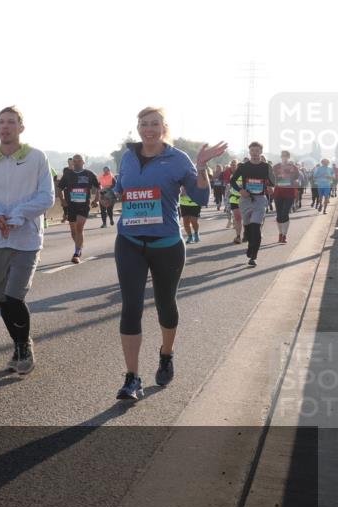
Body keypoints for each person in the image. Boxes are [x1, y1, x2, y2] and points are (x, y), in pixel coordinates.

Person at [111, 107, 225, 401]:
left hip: (167, 244)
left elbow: (200, 197)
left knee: (165, 304)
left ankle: (166, 353)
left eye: (155, 124)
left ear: (164, 127)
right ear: (138, 127)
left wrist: (201, 167)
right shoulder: (127, 156)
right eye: (144, 124)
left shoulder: (177, 159)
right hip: (130, 241)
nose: (149, 129)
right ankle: (132, 378)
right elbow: (121, 187)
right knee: (131, 306)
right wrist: (109, 194)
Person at [0, 107, 55, 375]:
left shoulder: (36, 158)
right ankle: (19, 344)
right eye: (1, 122)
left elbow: (46, 197)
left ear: (21, 127)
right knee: (2, 299)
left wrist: (17, 216)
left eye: (11, 122)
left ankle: (24, 348)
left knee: (14, 295)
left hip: (26, 237)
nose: (5, 127)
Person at [231, 142, 275, 267]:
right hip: (246, 200)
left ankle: (253, 256)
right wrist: (241, 190)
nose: (255, 153)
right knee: (248, 227)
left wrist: (271, 187)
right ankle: (246, 233)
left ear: (261, 152)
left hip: (260, 200)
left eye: (257, 151)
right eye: (252, 151)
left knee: (256, 228)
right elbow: (233, 181)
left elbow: (273, 181)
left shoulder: (266, 167)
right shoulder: (243, 167)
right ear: (249, 152)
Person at [58, 155, 99, 263]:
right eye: (75, 161)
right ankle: (79, 245)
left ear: (83, 162)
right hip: (71, 206)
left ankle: (77, 253)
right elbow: (59, 188)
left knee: (79, 227)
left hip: (84, 205)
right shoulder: (67, 174)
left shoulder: (89, 174)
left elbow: (98, 187)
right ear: (72, 163)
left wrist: (97, 200)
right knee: (73, 231)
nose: (76, 163)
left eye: (79, 161)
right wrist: (62, 200)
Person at [273, 150, 301, 244]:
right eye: (283, 156)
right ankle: (280, 233)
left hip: (289, 193)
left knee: (285, 213)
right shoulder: (276, 167)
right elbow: (271, 178)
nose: (284, 157)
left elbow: (297, 178)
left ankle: (284, 235)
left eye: (286, 156)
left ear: (288, 157)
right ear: (281, 157)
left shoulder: (293, 167)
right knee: (279, 215)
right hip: (278, 192)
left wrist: (296, 183)